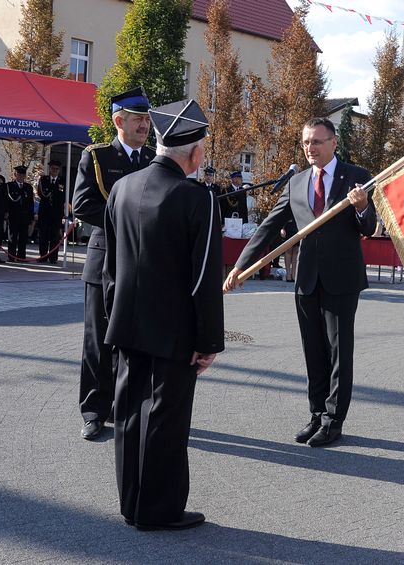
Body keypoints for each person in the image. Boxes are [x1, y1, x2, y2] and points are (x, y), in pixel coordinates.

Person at [103, 99, 223, 530]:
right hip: (174, 332)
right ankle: (159, 510)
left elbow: (110, 268)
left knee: (129, 415)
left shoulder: (122, 187)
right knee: (166, 420)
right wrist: (208, 341)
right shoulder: (197, 198)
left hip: (126, 323)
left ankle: (131, 503)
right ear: (195, 152)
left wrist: (112, 319)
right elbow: (204, 278)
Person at [224, 117, 376, 448]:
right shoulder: (297, 182)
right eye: (306, 142)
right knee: (313, 350)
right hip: (306, 279)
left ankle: (334, 421)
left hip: (341, 279)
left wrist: (362, 206)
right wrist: (240, 265)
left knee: (338, 353)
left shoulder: (357, 177)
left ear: (333, 142)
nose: (310, 148)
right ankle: (317, 414)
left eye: (317, 141)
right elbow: (268, 225)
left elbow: (368, 227)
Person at [72, 86, 155, 441]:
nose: (145, 125)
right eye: (138, 119)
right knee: (98, 341)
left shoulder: (154, 159)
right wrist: (128, 217)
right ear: (119, 121)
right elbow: (83, 205)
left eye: (147, 119)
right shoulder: (97, 157)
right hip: (105, 258)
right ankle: (94, 410)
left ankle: (128, 406)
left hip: (142, 264)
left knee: (134, 339)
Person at [36, 159, 65, 264]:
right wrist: (53, 188)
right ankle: (43, 256)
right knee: (43, 235)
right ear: (50, 169)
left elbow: (64, 196)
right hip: (44, 212)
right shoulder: (44, 179)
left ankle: (53, 257)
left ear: (59, 170)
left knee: (54, 237)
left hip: (57, 213)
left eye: (57, 169)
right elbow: (42, 193)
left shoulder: (63, 181)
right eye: (53, 169)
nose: (54, 171)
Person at [6, 165, 34, 261]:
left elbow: (30, 203)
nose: (21, 176)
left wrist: (31, 216)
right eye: (19, 174)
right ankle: (11, 256)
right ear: (15, 175)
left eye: (23, 174)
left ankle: (21, 256)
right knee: (12, 237)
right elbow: (7, 201)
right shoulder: (9, 186)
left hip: (24, 216)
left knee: (23, 237)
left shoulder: (28, 187)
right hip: (13, 215)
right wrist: (6, 212)